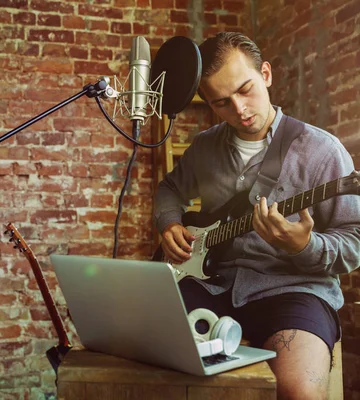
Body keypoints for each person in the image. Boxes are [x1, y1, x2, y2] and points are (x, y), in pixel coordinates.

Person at [153, 32, 360, 400]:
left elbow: (354, 242)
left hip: (293, 289)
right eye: (222, 103)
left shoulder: (322, 150)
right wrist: (169, 222)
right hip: (212, 283)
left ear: (265, 74)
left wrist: (305, 246)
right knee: (146, 359)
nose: (239, 110)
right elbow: (170, 189)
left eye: (245, 89)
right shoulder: (204, 147)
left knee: (300, 392)